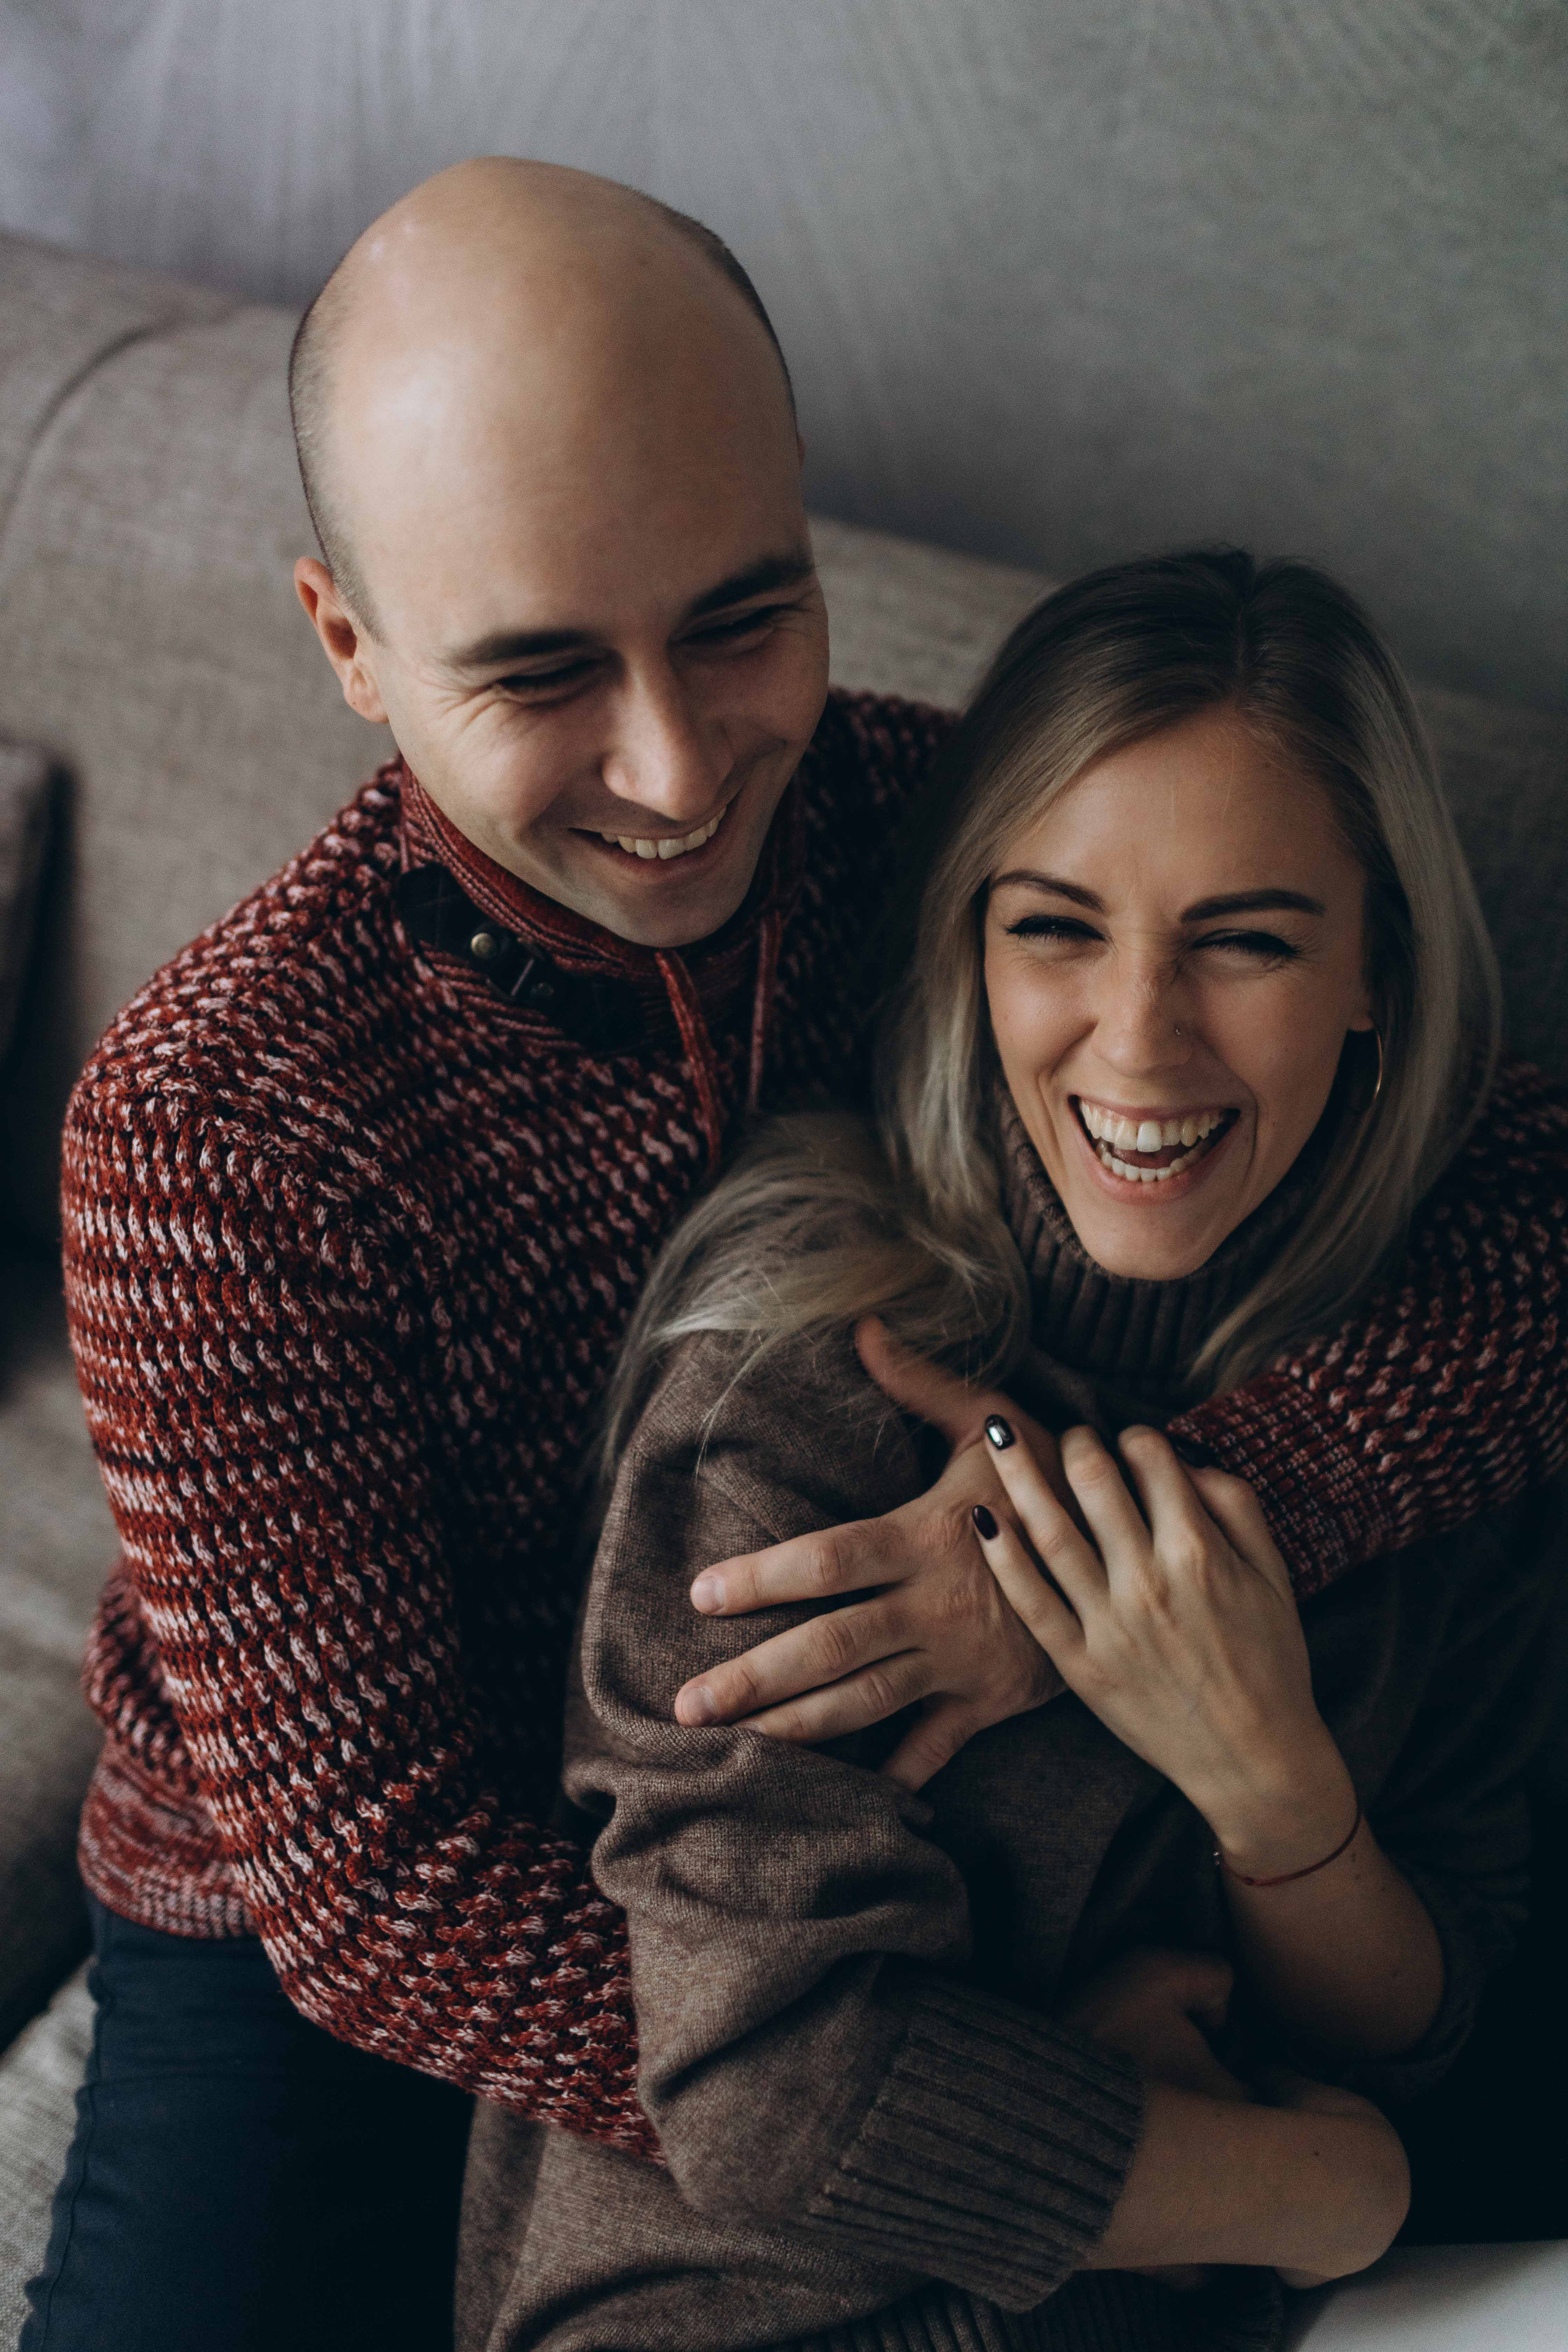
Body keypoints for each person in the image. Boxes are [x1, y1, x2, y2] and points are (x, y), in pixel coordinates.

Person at [24, 157, 1566, 2351]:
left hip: (858, 1817)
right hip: (360, 1918)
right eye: (543, 670)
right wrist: (1004, 2109)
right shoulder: (214, 1126)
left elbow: (1513, 1198)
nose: (677, 770)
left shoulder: (929, 831)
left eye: (742, 617)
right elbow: (381, 1888)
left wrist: (1122, 1569)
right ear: (348, 644)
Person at [457, 551, 1565, 2352]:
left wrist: (1270, 1782)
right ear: (969, 946)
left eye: (1250, 938)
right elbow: (777, 2095)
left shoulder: (1448, 1407)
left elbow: (1430, 2012)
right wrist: (1319, 2192)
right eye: (1056, 924)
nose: (1140, 1039)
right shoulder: (799, 1391)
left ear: (1379, 969)